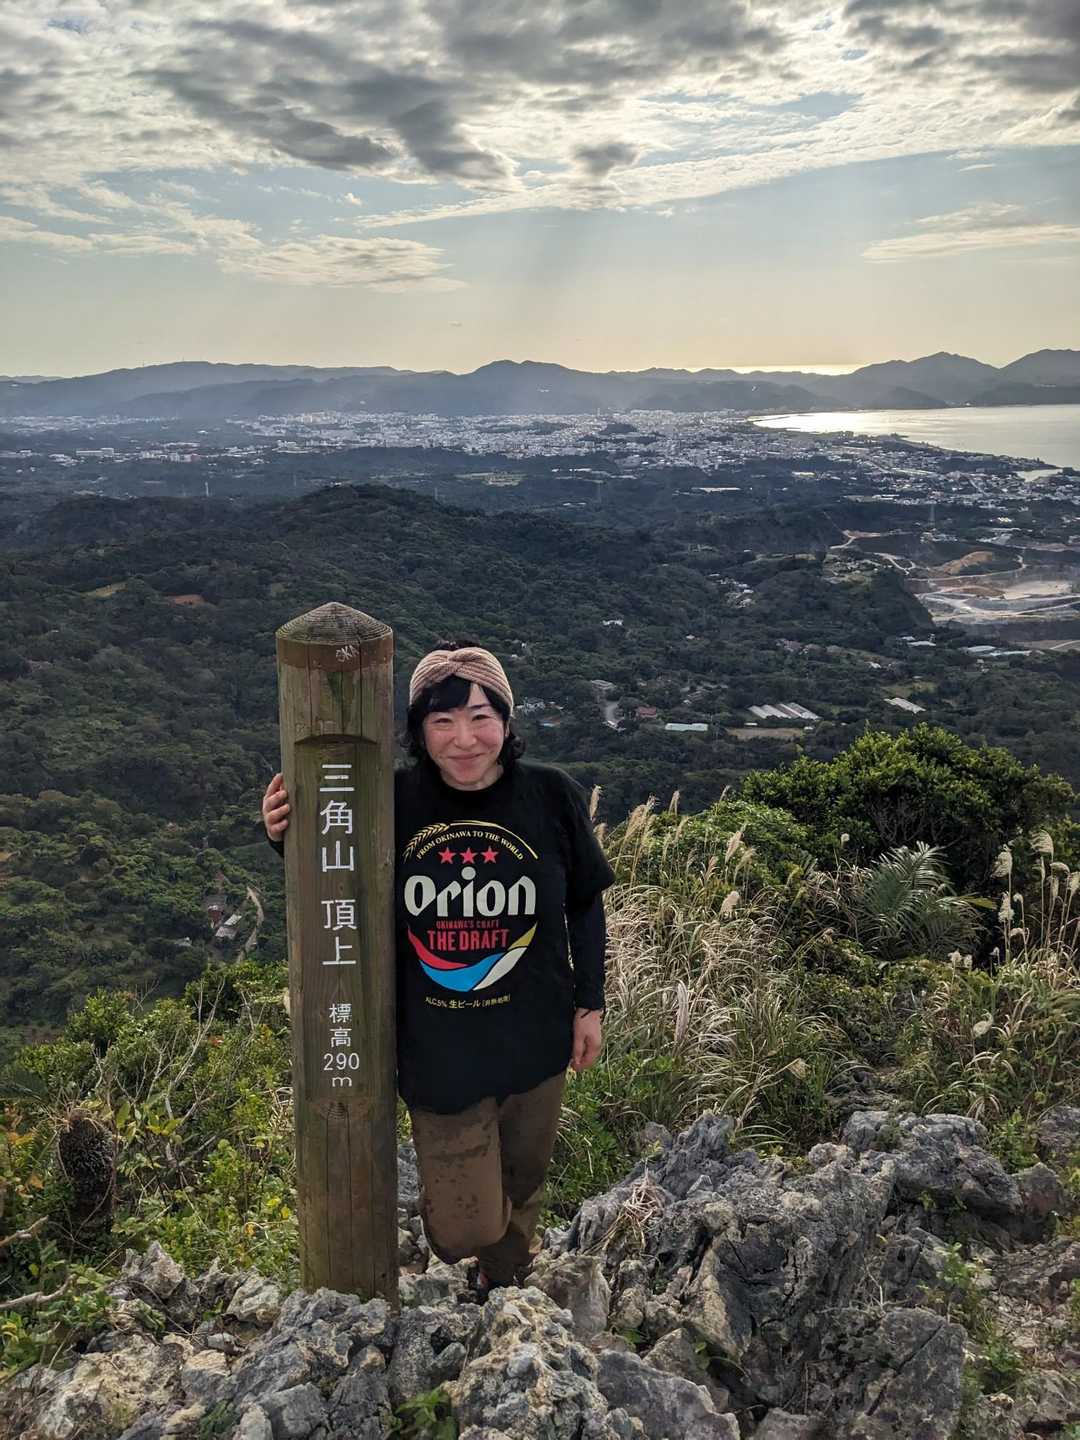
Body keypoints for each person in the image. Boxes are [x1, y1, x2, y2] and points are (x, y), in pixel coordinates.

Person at [262, 642, 613, 1298]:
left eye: (481, 717)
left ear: (506, 720)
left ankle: (502, 1284)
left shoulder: (551, 795)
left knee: (524, 1178)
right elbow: (338, 869)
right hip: (440, 1047)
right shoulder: (392, 800)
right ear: (419, 730)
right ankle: (478, 1252)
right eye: (442, 721)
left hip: (535, 1032)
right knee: (460, 1228)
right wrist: (287, 834)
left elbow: (585, 904)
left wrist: (589, 1005)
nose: (464, 739)